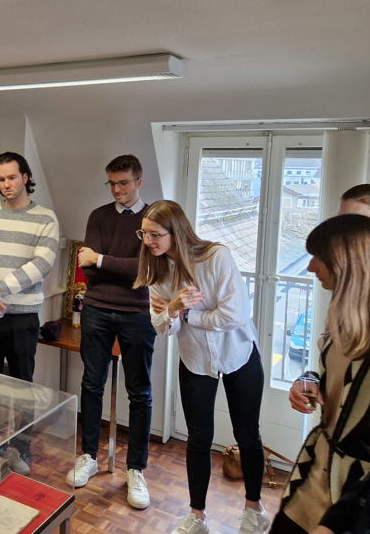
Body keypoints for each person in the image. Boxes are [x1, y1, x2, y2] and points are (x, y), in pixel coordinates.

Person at [135, 199, 267, 534]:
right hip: (195, 360)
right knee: (198, 439)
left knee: (247, 434)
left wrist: (186, 313)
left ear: (176, 232)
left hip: (239, 354)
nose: (147, 241)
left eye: (154, 234)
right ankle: (197, 516)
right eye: (144, 233)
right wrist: (173, 310)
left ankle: (254, 509)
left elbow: (234, 316)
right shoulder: (157, 272)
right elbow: (163, 328)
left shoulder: (216, 257)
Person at [270, 214, 370, 534]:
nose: (310, 267)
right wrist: (308, 380)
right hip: (315, 476)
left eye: (318, 257)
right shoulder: (343, 317)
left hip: (356, 496)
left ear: (345, 261)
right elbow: (333, 375)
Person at [66, 154, 154, 511]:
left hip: (139, 313)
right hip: (97, 309)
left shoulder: (153, 219)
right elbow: (86, 269)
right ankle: (88, 455)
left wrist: (101, 260)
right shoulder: (98, 216)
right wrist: (113, 267)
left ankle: (136, 469)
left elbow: (145, 268)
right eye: (112, 183)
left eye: (124, 183)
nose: (117, 189)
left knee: (140, 392)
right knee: (91, 384)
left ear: (139, 182)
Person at [0, 151, 59, 381]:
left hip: (22, 318)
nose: (6, 184)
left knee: (22, 386)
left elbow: (41, 264)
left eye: (12, 177)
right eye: (1, 179)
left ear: (25, 177)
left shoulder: (46, 218)